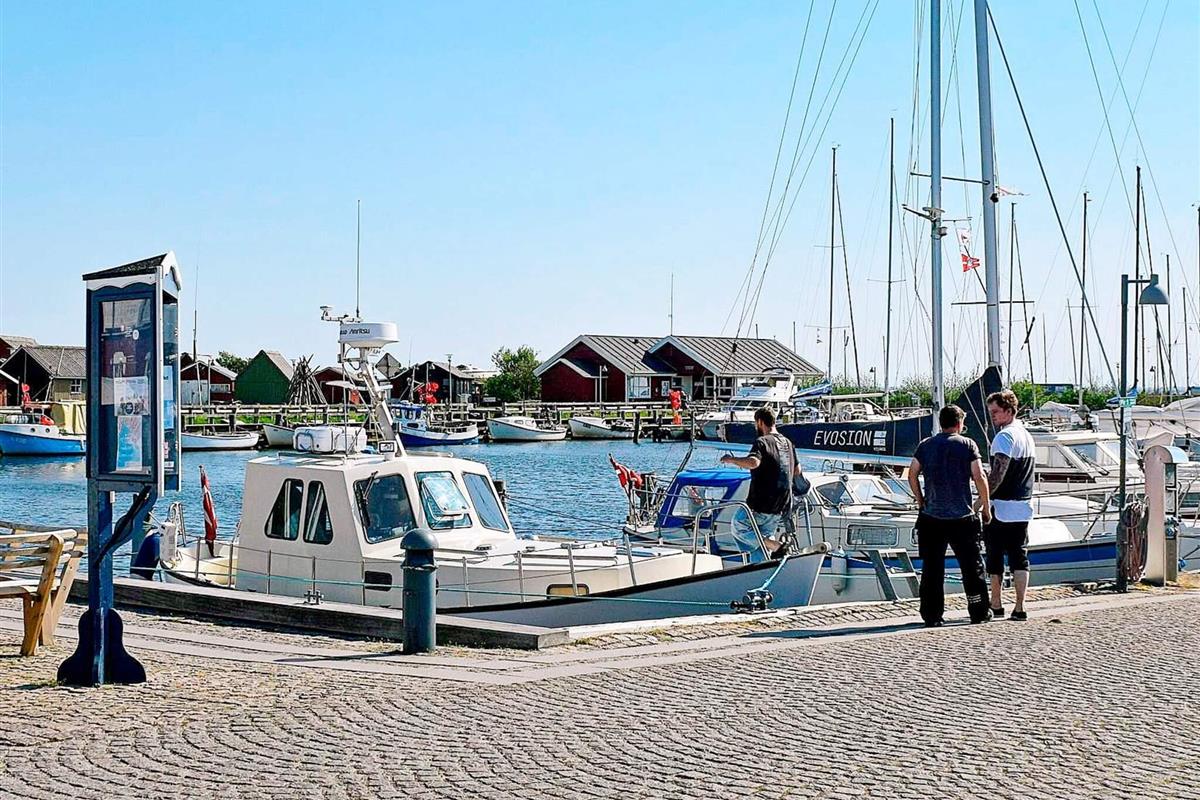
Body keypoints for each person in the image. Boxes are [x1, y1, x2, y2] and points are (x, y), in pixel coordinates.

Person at [908, 405, 993, 627]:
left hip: (931, 516)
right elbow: (979, 476)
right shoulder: (968, 445)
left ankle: (932, 615)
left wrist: (920, 500)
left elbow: (912, 474)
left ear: (941, 422)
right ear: (959, 423)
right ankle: (978, 611)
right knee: (971, 567)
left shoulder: (925, 445)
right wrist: (985, 506)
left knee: (932, 568)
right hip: (961, 516)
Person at [719, 406, 801, 560]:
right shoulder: (787, 443)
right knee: (761, 541)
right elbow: (797, 470)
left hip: (761, 504)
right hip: (781, 504)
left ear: (760, 422)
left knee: (738, 526)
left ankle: (776, 546)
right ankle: (763, 568)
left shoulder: (762, 442)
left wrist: (731, 459)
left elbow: (753, 462)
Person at [983, 389, 1036, 621]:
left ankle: (996, 603)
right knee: (1019, 556)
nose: (992, 416)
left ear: (1008, 410)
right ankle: (1020, 606)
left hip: (1001, 506)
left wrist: (981, 499)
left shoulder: (1004, 437)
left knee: (994, 556)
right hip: (1022, 506)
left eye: (995, 411)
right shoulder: (1026, 436)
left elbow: (998, 473)